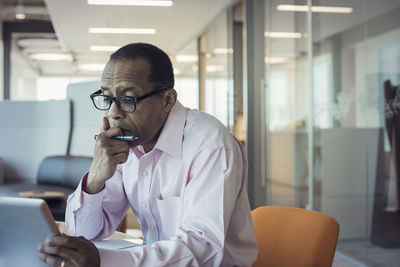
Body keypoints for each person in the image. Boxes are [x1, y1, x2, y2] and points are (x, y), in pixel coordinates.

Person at [38, 43, 258, 267]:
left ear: (167, 100)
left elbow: (203, 251)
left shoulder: (211, 145)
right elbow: (86, 233)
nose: (113, 113)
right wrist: (95, 179)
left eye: (127, 99)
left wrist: (102, 260)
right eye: (107, 99)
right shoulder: (127, 143)